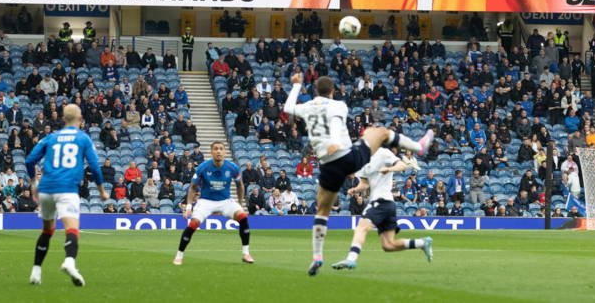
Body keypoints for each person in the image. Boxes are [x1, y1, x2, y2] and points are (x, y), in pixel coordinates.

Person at [283, 73, 434, 276]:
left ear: (315, 91)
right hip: (346, 156)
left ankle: (317, 256)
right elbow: (335, 124)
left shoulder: (307, 106)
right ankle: (418, 147)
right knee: (379, 132)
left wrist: (296, 86)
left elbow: (288, 108)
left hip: (328, 166)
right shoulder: (339, 105)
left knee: (322, 211)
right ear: (333, 91)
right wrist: (335, 143)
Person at [25, 104, 108, 287]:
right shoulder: (83, 138)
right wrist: (101, 190)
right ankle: (69, 262)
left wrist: (33, 184)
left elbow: (30, 160)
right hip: (67, 189)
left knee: (47, 230)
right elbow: (94, 167)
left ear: (63, 119)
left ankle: (36, 271)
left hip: (46, 189)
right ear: (80, 120)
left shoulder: (51, 137)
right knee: (72, 229)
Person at [331, 147, 432, 270]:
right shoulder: (363, 162)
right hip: (387, 204)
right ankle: (422, 243)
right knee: (388, 245)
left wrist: (389, 169)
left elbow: (402, 165)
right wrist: (355, 189)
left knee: (361, 228)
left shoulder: (383, 153)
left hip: (381, 201)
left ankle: (351, 259)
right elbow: (364, 183)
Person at [173, 141, 253, 265]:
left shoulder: (233, 167)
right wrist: (188, 206)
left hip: (225, 201)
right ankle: (179, 255)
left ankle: (246, 253)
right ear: (211, 152)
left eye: (221, 149)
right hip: (206, 201)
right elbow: (193, 187)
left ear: (225, 152)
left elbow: (240, 186)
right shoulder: (203, 167)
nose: (218, 151)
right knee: (193, 224)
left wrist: (240, 204)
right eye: (215, 149)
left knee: (243, 217)